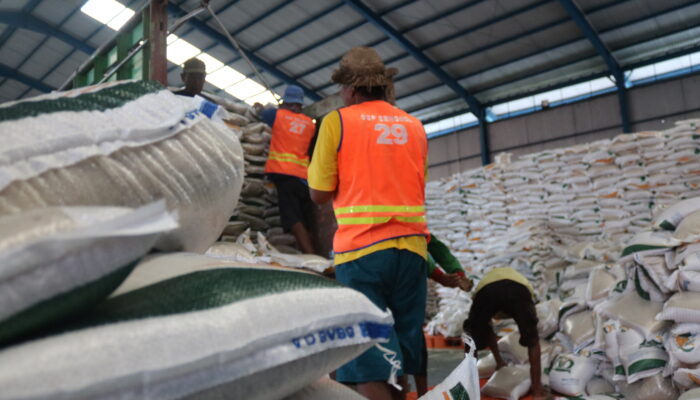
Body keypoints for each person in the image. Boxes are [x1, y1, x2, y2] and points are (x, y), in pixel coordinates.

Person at [308, 46, 429, 400]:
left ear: (349, 89)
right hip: (412, 252)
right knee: (402, 352)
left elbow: (318, 194)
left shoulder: (338, 121)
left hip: (363, 253)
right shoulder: (414, 126)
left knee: (370, 355)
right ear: (383, 86)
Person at [462, 266, 546, 400]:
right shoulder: (524, 285)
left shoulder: (484, 285)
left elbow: (486, 327)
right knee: (532, 340)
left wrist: (499, 360)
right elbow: (532, 334)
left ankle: (469, 387)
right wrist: (499, 361)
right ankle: (537, 391)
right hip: (518, 290)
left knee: (472, 336)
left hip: (488, 291)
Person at [259, 85, 318, 255]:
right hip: (304, 178)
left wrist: (267, 106)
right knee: (307, 220)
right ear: (300, 104)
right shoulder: (309, 124)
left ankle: (311, 255)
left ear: (286, 102)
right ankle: (315, 252)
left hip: (285, 175)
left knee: (293, 218)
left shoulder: (277, 115)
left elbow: (263, 113)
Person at [414, 234, 472, 396]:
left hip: (358, 260)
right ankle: (420, 393)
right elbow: (419, 247)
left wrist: (457, 274)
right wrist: (441, 276)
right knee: (412, 334)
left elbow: (428, 244)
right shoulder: (408, 216)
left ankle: (411, 391)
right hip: (404, 267)